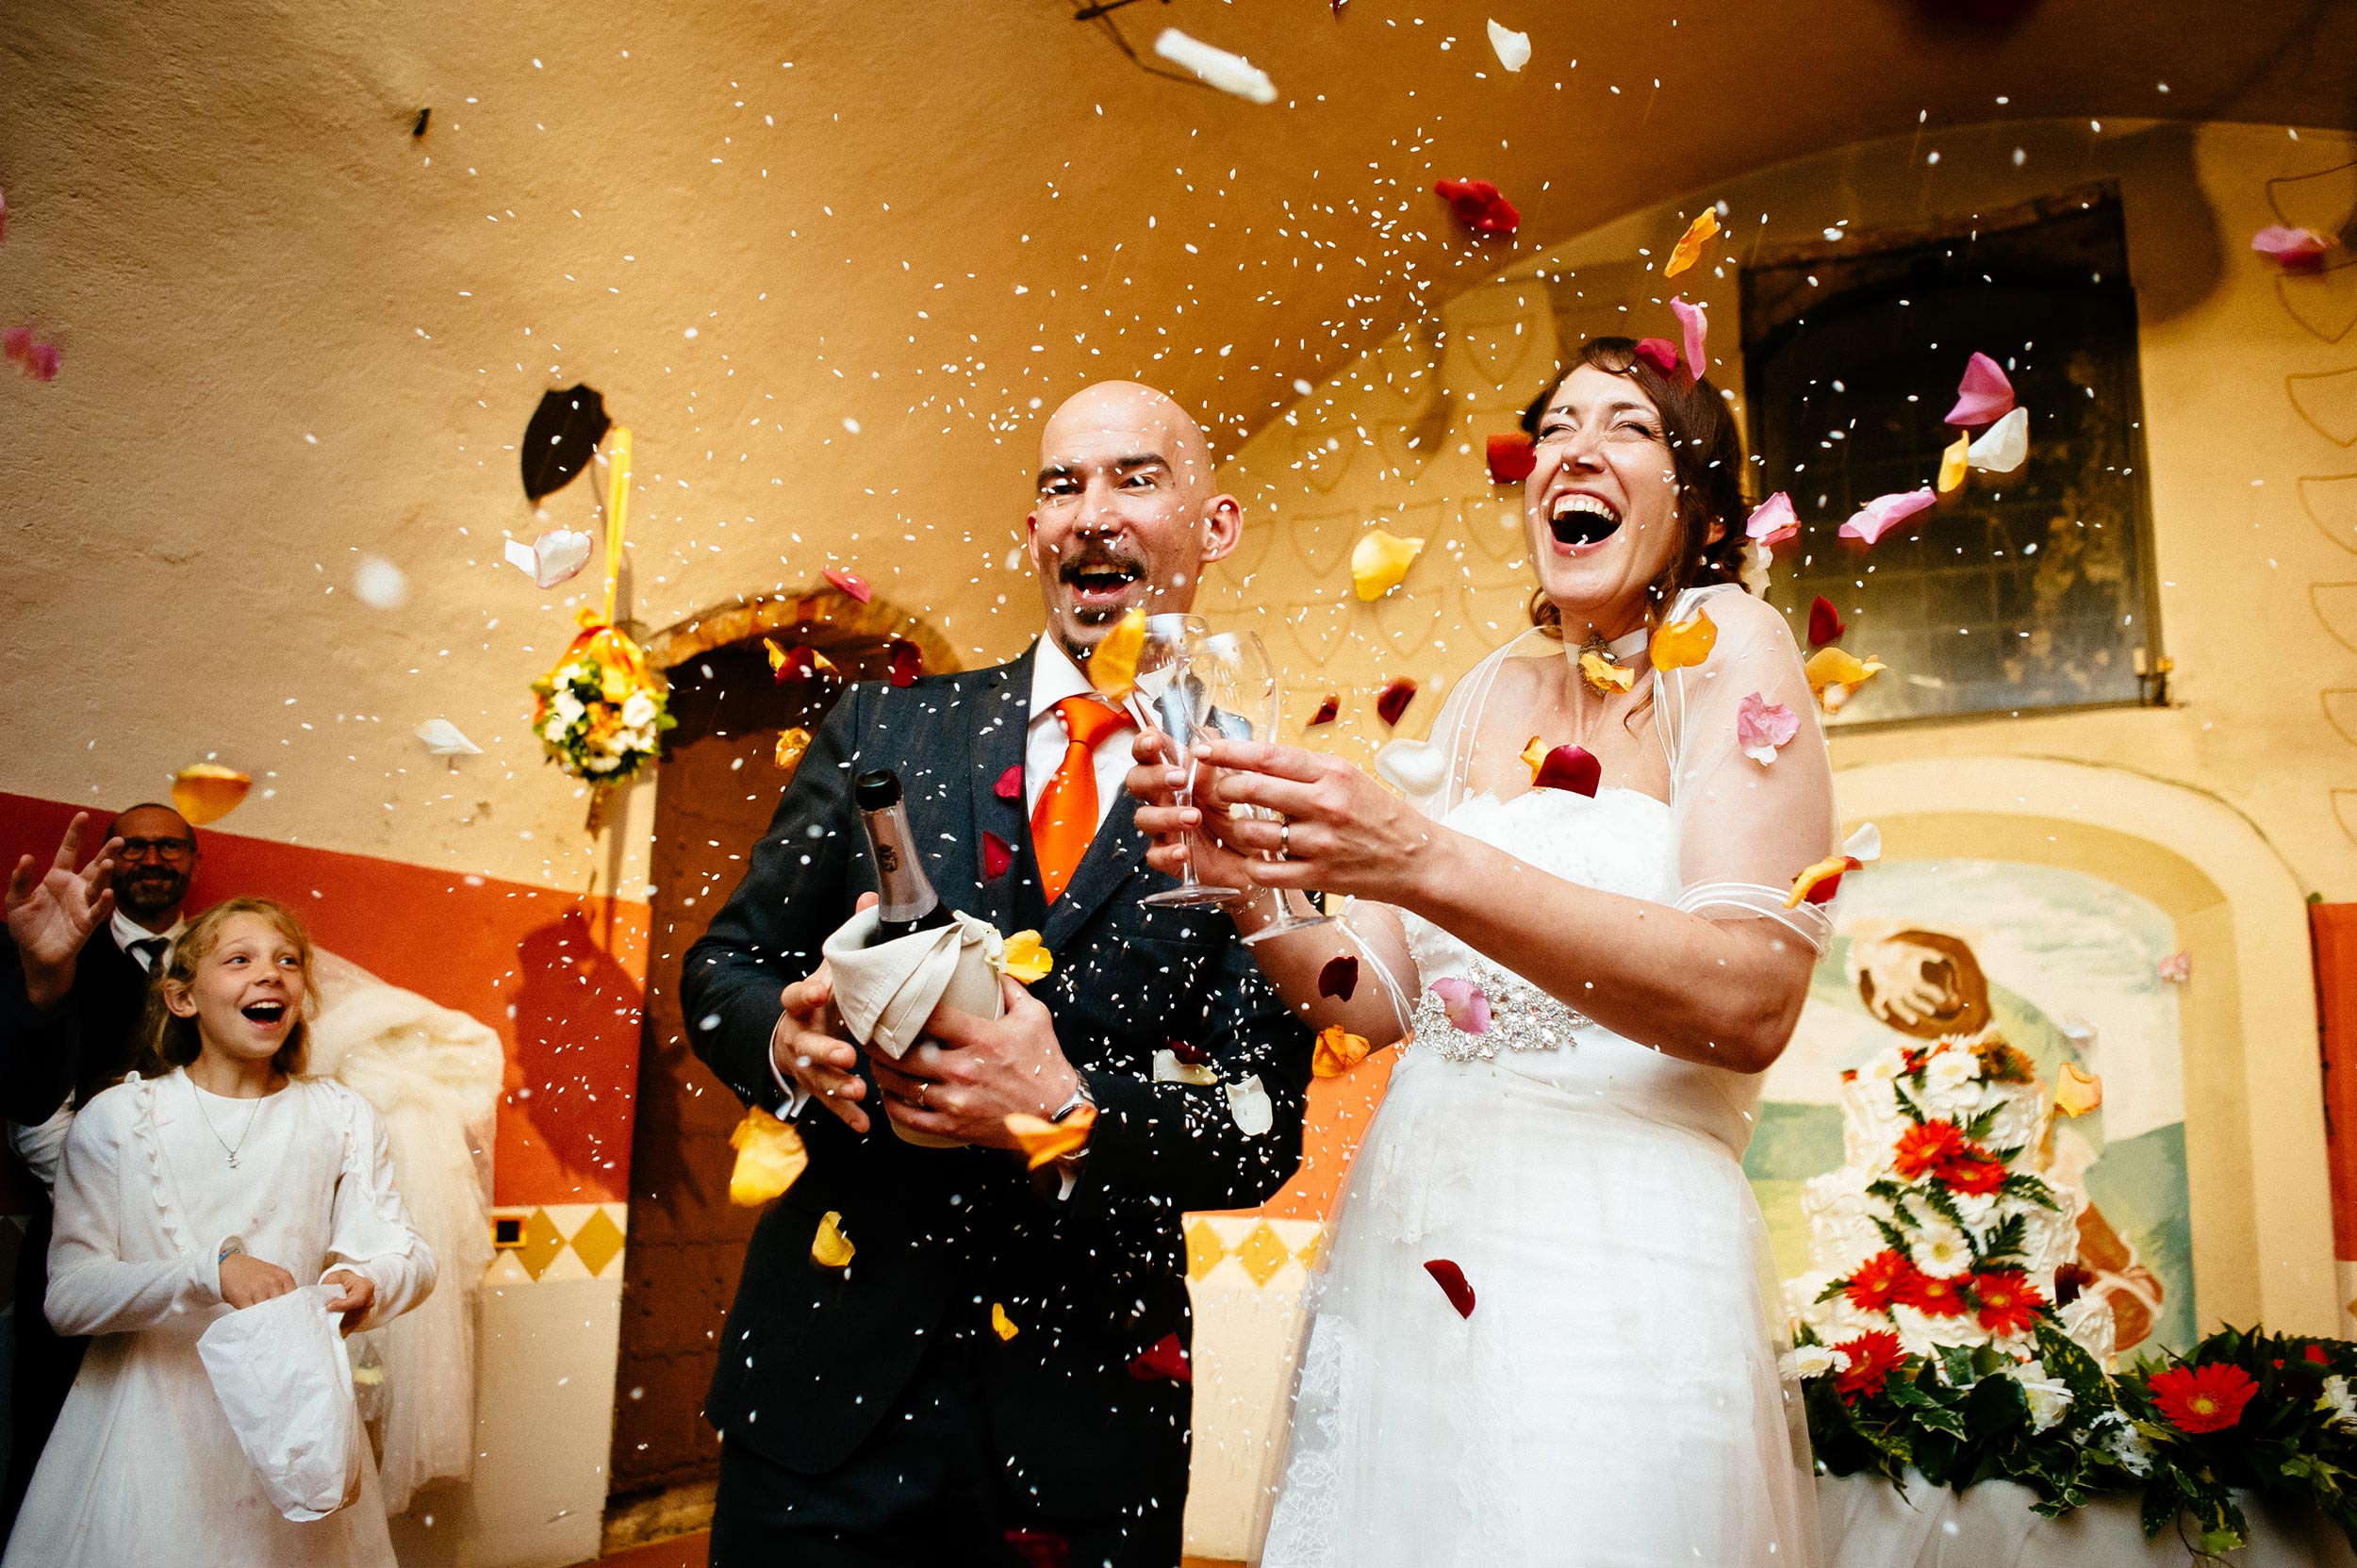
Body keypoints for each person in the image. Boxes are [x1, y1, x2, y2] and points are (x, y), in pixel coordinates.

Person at [1132, 338, 1838, 1565]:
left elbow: (1751, 996)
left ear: (1702, 499)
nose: (1576, 446)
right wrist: (1252, 889)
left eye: (1628, 425)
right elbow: (1375, 1001)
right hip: (1416, 1237)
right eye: (1557, 425)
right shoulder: (1488, 694)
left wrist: (1416, 852)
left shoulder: (1732, 646)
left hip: (1617, 1251)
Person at [682, 380, 1317, 1567]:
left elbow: (1256, 1128)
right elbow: (726, 963)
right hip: (829, 1400)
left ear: (1214, 524)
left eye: (1136, 478)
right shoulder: (884, 731)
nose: (1091, 514)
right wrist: (783, 1038)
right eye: (1060, 485)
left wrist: (1068, 1109)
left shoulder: (1260, 802)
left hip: (1087, 1431)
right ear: (1032, 534)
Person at [2, 897, 437, 1568]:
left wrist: (370, 1280)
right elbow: (69, 1299)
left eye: (287, 961)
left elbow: (406, 1252)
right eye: (240, 959)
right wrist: (208, 1270)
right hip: (149, 1429)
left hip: (292, 1425)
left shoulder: (341, 1116)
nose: (271, 975)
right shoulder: (119, 1118)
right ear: (182, 998)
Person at [0, 804, 201, 1533]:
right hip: (77, 1244)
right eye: (135, 844)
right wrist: (111, 1194)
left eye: (170, 846)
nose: (153, 858)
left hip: (194, 1251)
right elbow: (31, 1110)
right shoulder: (47, 946)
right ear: (111, 858)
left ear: (193, 861)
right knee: (58, 1453)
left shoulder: (216, 961)